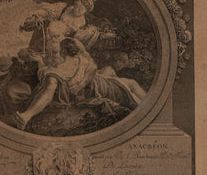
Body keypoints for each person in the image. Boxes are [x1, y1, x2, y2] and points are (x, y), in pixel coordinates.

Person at [13, 37, 146, 130]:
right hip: (99, 87)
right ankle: (146, 110)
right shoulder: (57, 69)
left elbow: (92, 69)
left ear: (63, 50)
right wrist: (40, 62)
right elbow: (47, 75)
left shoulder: (76, 60)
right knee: (131, 86)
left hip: (99, 84)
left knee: (131, 85)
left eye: (55, 52)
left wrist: (81, 83)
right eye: (51, 52)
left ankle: (147, 110)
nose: (53, 55)